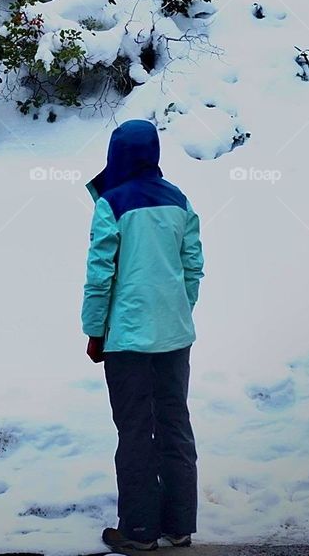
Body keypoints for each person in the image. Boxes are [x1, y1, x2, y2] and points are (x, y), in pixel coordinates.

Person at [81, 118, 204, 554]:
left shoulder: (111, 204)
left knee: (135, 431)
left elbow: (101, 276)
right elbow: (193, 268)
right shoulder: (180, 201)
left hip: (128, 341)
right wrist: (176, 312)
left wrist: (95, 331)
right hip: (175, 338)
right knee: (174, 425)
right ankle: (178, 526)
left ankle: (138, 530)